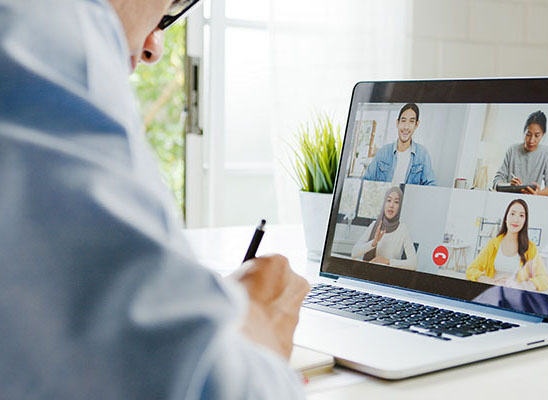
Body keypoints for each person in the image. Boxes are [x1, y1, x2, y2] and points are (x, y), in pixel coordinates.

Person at [0, 0, 309, 398]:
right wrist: (256, 318)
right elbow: (195, 386)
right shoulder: (41, 25)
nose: (154, 47)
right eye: (173, 5)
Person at [465, 199, 548, 292]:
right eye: (512, 214)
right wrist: (488, 280)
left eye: (521, 215)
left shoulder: (530, 247)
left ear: (525, 221)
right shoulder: (493, 244)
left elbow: (545, 280)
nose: (516, 219)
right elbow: (471, 270)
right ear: (506, 218)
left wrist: (519, 285)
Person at [362, 103, 436, 186]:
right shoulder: (383, 152)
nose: (406, 127)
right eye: (403, 120)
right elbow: (366, 181)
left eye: (411, 121)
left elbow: (431, 185)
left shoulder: (422, 154)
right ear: (397, 123)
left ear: (416, 125)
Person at [351, 187, 418, 270]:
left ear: (400, 206)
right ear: (384, 203)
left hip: (388, 276)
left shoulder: (402, 229)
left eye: (396, 202)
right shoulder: (375, 225)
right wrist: (374, 243)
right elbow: (354, 253)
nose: (391, 205)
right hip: (367, 273)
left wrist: (386, 261)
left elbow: (413, 264)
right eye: (389, 200)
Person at [493, 110, 548, 196]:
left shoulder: (547, 153)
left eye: (537, 135)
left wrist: (538, 193)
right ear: (524, 131)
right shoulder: (512, 150)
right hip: (509, 199)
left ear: (543, 134)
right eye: (528, 134)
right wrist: (510, 186)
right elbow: (497, 181)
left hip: (532, 201)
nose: (531, 140)